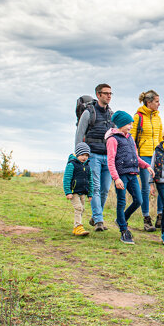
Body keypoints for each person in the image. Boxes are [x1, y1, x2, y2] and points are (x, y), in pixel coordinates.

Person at [105, 111, 154, 244]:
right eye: (128, 124)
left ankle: (121, 219)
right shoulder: (112, 139)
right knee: (121, 202)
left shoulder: (130, 138)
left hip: (132, 174)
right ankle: (124, 231)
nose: (131, 126)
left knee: (139, 200)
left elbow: (136, 157)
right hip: (121, 176)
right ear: (120, 124)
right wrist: (116, 178)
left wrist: (146, 166)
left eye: (131, 124)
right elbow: (110, 161)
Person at [75, 83, 114, 231]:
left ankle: (96, 216)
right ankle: (99, 221)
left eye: (110, 93)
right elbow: (79, 134)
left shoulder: (111, 114)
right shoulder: (88, 113)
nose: (109, 96)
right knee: (96, 188)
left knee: (104, 189)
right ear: (98, 95)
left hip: (108, 157)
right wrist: (78, 155)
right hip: (93, 155)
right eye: (106, 93)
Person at [132, 90, 162, 232]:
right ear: (149, 102)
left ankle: (161, 217)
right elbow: (131, 139)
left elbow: (161, 138)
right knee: (145, 187)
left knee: (161, 185)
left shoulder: (158, 118)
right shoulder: (138, 117)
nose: (159, 104)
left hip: (157, 156)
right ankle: (146, 218)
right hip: (143, 156)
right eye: (156, 101)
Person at [63, 142, 93, 237]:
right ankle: (78, 226)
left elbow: (90, 180)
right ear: (77, 154)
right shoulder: (72, 164)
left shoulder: (87, 166)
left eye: (86, 155)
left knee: (82, 209)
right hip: (73, 192)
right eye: (82, 155)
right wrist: (68, 192)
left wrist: (90, 193)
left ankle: (78, 227)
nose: (84, 157)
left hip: (83, 192)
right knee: (78, 208)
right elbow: (66, 179)